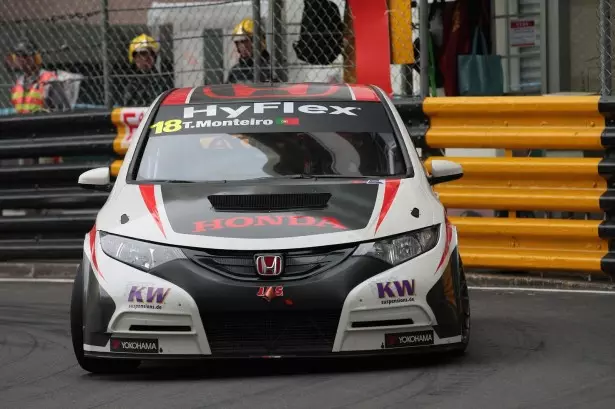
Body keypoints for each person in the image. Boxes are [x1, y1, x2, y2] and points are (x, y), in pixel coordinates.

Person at [9, 38, 70, 114]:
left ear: (36, 58)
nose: (21, 59)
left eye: (25, 56)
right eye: (17, 56)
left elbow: (65, 112)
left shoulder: (50, 80)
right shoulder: (18, 82)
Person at [123, 34, 173, 107]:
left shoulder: (162, 82)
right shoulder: (128, 83)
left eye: (151, 53)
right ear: (135, 58)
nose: (148, 57)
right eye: (143, 53)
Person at [226, 18, 276, 84]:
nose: (242, 46)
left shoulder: (271, 68)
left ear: (258, 41)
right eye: (238, 42)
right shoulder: (235, 71)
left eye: (244, 41)